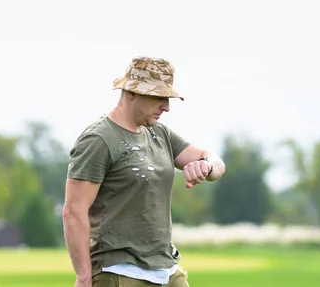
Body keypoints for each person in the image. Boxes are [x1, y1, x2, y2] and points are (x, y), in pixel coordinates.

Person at [62, 56, 226, 287]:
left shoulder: (159, 134)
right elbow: (74, 210)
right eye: (158, 97)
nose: (166, 107)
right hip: (120, 272)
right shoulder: (99, 139)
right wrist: (83, 276)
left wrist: (206, 165)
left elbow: (216, 163)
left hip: (167, 271)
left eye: (167, 98)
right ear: (131, 92)